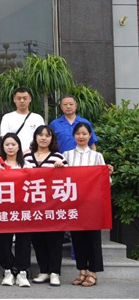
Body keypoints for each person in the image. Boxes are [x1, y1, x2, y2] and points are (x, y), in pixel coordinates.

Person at [65, 122, 113, 287]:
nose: (81, 136)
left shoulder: (97, 156)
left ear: (90, 136)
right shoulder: (66, 156)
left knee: (93, 239)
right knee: (77, 239)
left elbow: (106, 182)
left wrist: (108, 172)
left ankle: (93, 272)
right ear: (73, 136)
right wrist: (58, 166)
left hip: (92, 204)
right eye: (78, 133)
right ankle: (82, 271)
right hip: (75, 204)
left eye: (84, 133)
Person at [24, 125, 66, 287]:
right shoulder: (26, 157)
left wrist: (61, 168)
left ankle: (55, 272)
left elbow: (68, 179)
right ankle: (43, 271)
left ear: (52, 139)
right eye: (40, 135)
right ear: (35, 137)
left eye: (47, 135)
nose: (43, 138)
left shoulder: (58, 157)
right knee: (38, 239)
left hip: (54, 206)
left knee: (55, 239)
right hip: (32, 207)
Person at [0, 133, 32, 288]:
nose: (10, 147)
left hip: (22, 208)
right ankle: (8, 270)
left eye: (13, 144)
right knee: (4, 240)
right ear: (2, 147)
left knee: (24, 240)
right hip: (4, 209)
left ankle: (22, 271)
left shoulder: (26, 165)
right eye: (7, 144)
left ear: (19, 146)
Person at [0, 88, 45, 154]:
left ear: (30, 99)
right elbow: (5, 138)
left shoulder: (38, 118)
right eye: (19, 98)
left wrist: (29, 150)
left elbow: (42, 137)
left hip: (34, 154)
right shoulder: (7, 118)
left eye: (25, 98)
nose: (22, 101)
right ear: (14, 99)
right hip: (14, 155)